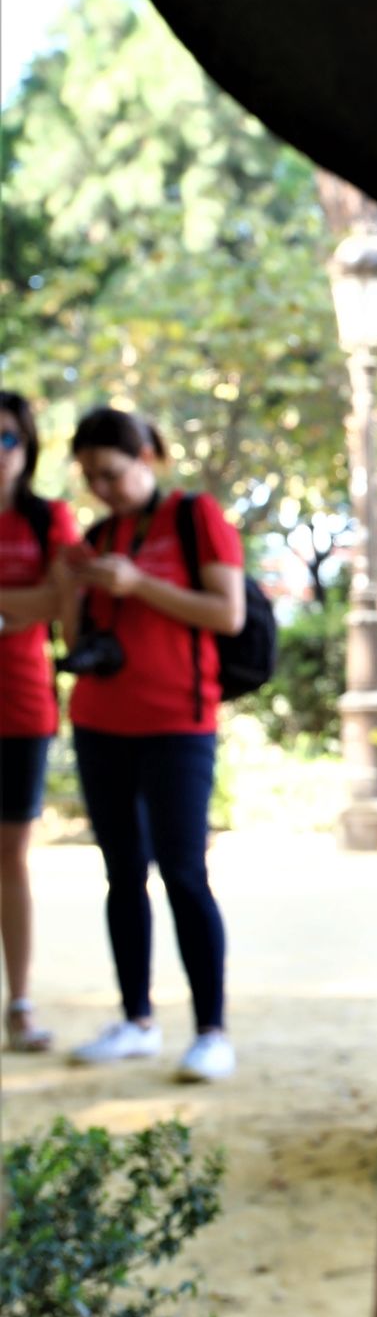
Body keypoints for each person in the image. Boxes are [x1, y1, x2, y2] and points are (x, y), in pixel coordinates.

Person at [59, 407, 245, 1081]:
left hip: (178, 724)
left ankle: (211, 1031)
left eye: (110, 472)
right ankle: (136, 1019)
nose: (102, 489)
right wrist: (72, 586)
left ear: (146, 457)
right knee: (121, 874)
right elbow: (77, 646)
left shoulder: (197, 518)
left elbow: (228, 613)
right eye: (89, 479)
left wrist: (139, 583)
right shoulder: (100, 534)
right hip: (101, 721)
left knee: (185, 873)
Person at [0, 390, 80, 1051]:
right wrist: (17, 605)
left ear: (27, 449)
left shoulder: (49, 518)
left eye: (7, 439)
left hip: (23, 707)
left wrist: (31, 605)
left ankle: (19, 1003)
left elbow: (62, 600)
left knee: (11, 858)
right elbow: (38, 599)